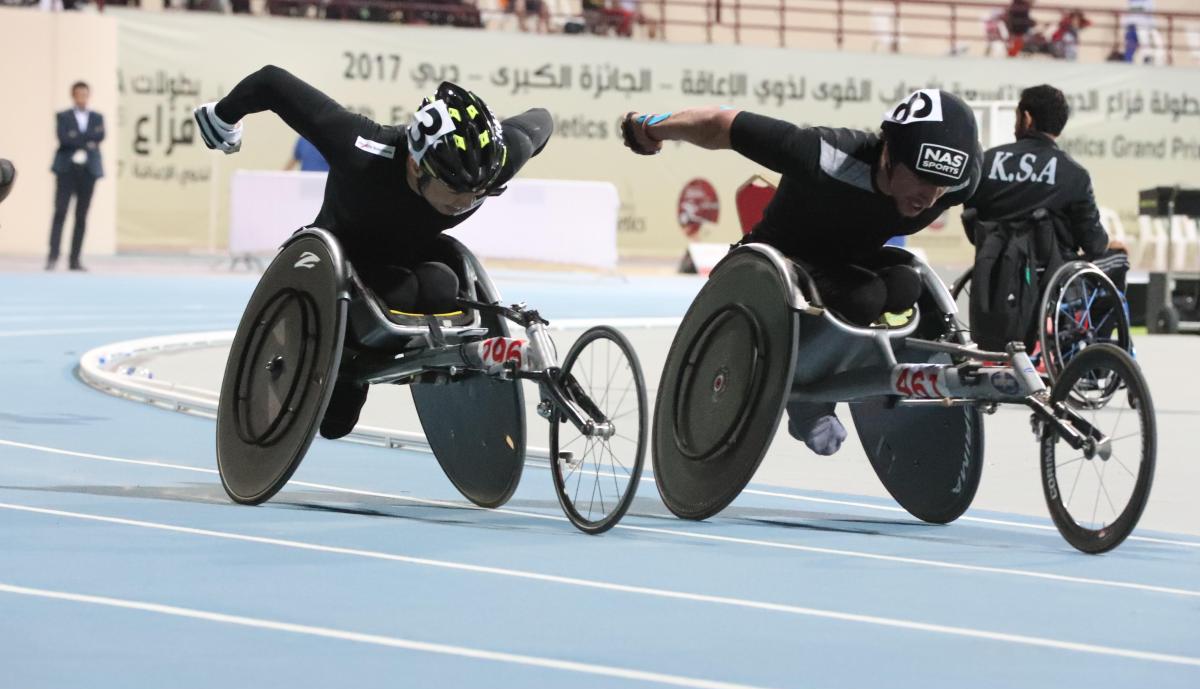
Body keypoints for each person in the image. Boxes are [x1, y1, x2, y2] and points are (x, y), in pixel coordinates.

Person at [194, 66, 552, 440]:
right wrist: (222, 117)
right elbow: (270, 82)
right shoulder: (360, 148)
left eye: (477, 194)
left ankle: (395, 350)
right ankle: (350, 362)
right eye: (454, 191)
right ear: (416, 165)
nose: (464, 203)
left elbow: (540, 122)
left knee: (443, 286)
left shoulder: (489, 166)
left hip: (412, 260)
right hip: (342, 267)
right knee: (335, 423)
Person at [621, 89, 981, 456]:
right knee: (865, 296)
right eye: (921, 178)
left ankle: (861, 368)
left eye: (941, 184)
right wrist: (649, 128)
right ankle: (807, 397)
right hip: (783, 262)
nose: (930, 196)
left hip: (851, 262)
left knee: (907, 285)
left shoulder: (959, 182)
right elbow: (720, 125)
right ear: (889, 153)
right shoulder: (825, 155)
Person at [963, 84, 1111, 264]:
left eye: (1016, 117)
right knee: (1118, 257)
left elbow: (973, 224)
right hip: (1053, 279)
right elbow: (1094, 244)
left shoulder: (986, 161)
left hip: (993, 272)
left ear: (1027, 118)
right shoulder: (1075, 175)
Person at [48, 81, 105, 272]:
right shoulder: (63, 116)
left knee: (81, 215)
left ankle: (75, 259)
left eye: (85, 94)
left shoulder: (97, 117)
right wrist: (87, 141)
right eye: (79, 94)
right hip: (66, 169)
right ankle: (53, 256)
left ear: (89, 95)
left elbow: (100, 136)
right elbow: (64, 138)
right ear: (73, 95)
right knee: (60, 211)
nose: (82, 97)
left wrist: (77, 138)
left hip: (88, 171)